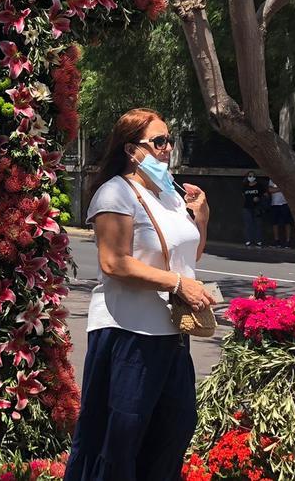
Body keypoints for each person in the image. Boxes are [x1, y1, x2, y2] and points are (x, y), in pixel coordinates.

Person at [65, 109, 214, 481]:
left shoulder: (172, 196)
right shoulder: (115, 192)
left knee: (175, 428)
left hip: (172, 335)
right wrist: (178, 284)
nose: (167, 149)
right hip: (127, 333)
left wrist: (203, 216)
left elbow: (188, 256)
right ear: (132, 150)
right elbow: (114, 263)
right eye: (158, 142)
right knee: (120, 437)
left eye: (170, 140)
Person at [268, 179, 293, 248]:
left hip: (285, 203)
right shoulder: (272, 179)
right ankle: (276, 240)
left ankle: (288, 241)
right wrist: (281, 188)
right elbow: (270, 190)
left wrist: (276, 189)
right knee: (274, 222)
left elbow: (288, 189)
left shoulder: (286, 179)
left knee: (287, 222)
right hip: (274, 204)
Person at [241, 171, 265, 247]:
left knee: (258, 224)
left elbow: (265, 195)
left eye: (252, 176)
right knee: (248, 224)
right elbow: (243, 196)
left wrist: (259, 199)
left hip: (257, 207)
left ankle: (258, 241)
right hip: (247, 207)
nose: (251, 177)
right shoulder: (245, 186)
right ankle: (248, 240)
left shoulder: (259, 186)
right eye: (249, 176)